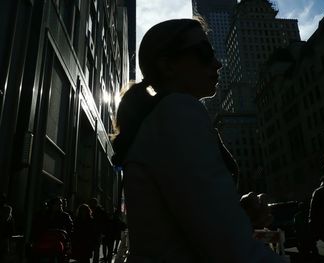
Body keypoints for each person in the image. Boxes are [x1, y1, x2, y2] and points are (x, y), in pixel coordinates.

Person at [112, 18, 284, 262]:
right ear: (168, 65)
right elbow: (232, 251)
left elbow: (189, 223)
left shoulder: (160, 120)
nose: (218, 63)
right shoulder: (177, 111)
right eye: (204, 53)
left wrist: (236, 214)